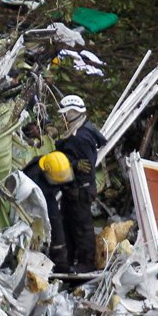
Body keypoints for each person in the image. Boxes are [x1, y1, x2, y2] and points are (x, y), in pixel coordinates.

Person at [55, 94, 107, 273]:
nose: (62, 118)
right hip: (72, 190)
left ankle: (86, 263)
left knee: (82, 228)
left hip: (79, 191)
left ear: (72, 113)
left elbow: (86, 167)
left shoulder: (81, 137)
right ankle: (69, 260)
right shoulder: (78, 132)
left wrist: (71, 164)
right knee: (68, 226)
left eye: (65, 114)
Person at [22, 151, 74, 272]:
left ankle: (60, 260)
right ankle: (45, 262)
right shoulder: (33, 176)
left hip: (46, 193)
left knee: (57, 221)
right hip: (32, 201)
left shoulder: (57, 164)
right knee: (51, 224)